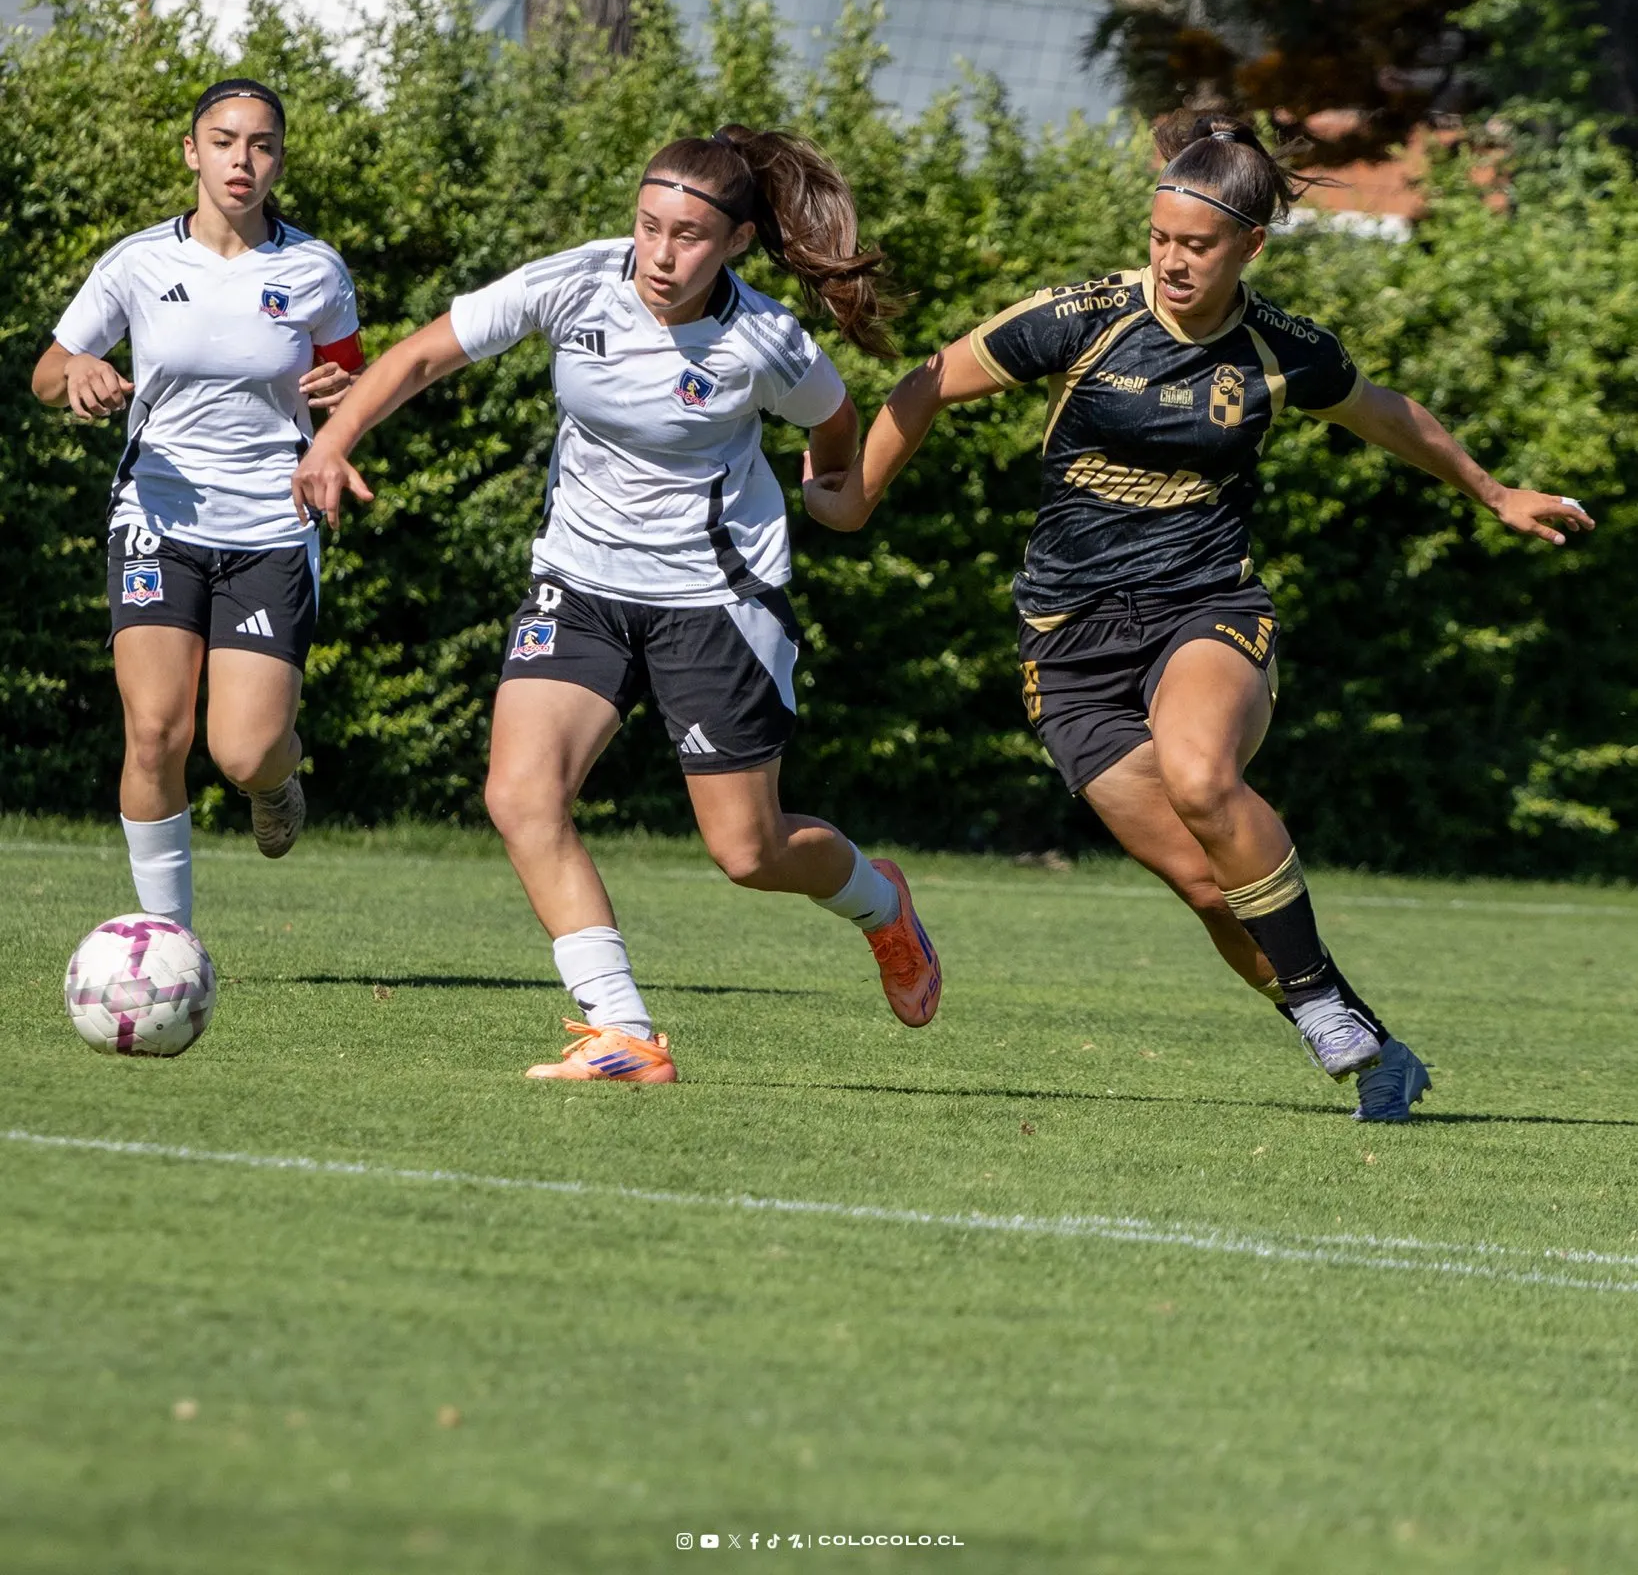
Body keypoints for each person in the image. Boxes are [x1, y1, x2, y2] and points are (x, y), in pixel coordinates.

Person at [802, 112, 1594, 1122]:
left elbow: (1387, 410)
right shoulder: (1082, 317)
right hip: (1067, 644)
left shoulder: (1281, 349)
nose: (1173, 262)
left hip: (1204, 607)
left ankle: (1315, 1002)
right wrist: (855, 498)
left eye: (1198, 246)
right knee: (1213, 890)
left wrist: (1492, 492)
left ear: (1250, 246)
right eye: (1160, 239)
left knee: (1202, 772)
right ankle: (1376, 1044)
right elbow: (928, 383)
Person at [291, 125, 942, 1085]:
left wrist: (833, 483)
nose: (661, 254)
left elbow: (836, 420)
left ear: (737, 244)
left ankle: (879, 904)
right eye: (648, 227)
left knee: (749, 852)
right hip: (581, 581)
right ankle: (623, 1031)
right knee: (519, 797)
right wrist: (333, 441)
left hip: (716, 600)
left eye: (687, 236)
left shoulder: (764, 340)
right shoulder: (579, 281)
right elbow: (424, 356)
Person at [31, 78, 363, 939]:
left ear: (280, 161)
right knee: (153, 732)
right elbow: (50, 369)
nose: (241, 160)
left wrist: (340, 389)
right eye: (223, 141)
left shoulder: (314, 268)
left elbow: (353, 376)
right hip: (157, 515)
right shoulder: (139, 262)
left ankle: (276, 786)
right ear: (192, 152)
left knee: (244, 750)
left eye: (261, 145)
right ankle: (165, 945)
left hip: (269, 526)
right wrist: (84, 377)